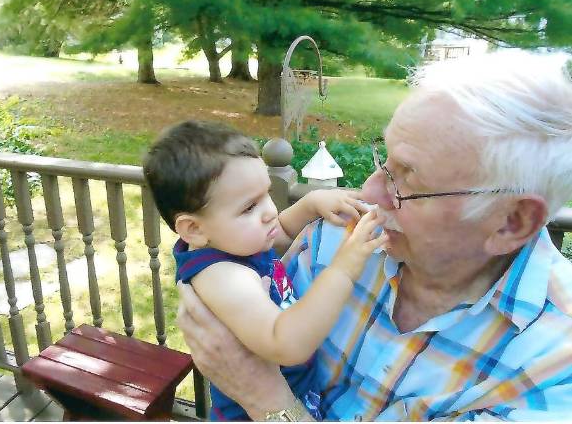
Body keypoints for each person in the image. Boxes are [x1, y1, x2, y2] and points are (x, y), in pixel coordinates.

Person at [176, 50, 572, 421]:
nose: (368, 193)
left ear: (511, 222)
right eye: (385, 159)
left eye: (407, 179)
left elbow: (248, 369)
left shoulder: (555, 367)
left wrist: (263, 398)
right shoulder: (334, 238)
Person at [142, 120, 388, 420]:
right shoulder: (221, 276)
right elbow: (286, 343)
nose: (270, 211)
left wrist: (310, 203)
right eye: (249, 207)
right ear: (193, 229)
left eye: (266, 194)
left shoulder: (235, 242)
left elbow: (282, 229)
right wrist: (343, 269)